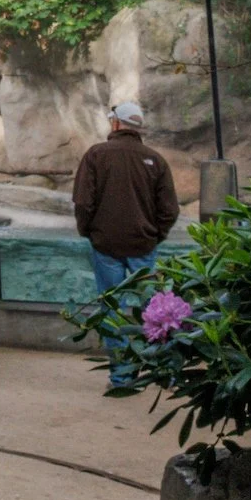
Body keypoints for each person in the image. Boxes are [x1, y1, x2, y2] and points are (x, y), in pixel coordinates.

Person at [72, 100, 179, 387]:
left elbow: (83, 202)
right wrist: (155, 236)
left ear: (116, 124)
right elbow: (170, 211)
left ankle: (121, 377)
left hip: (105, 246)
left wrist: (88, 232)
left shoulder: (96, 155)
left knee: (112, 310)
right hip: (143, 247)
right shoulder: (155, 160)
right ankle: (163, 372)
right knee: (155, 310)